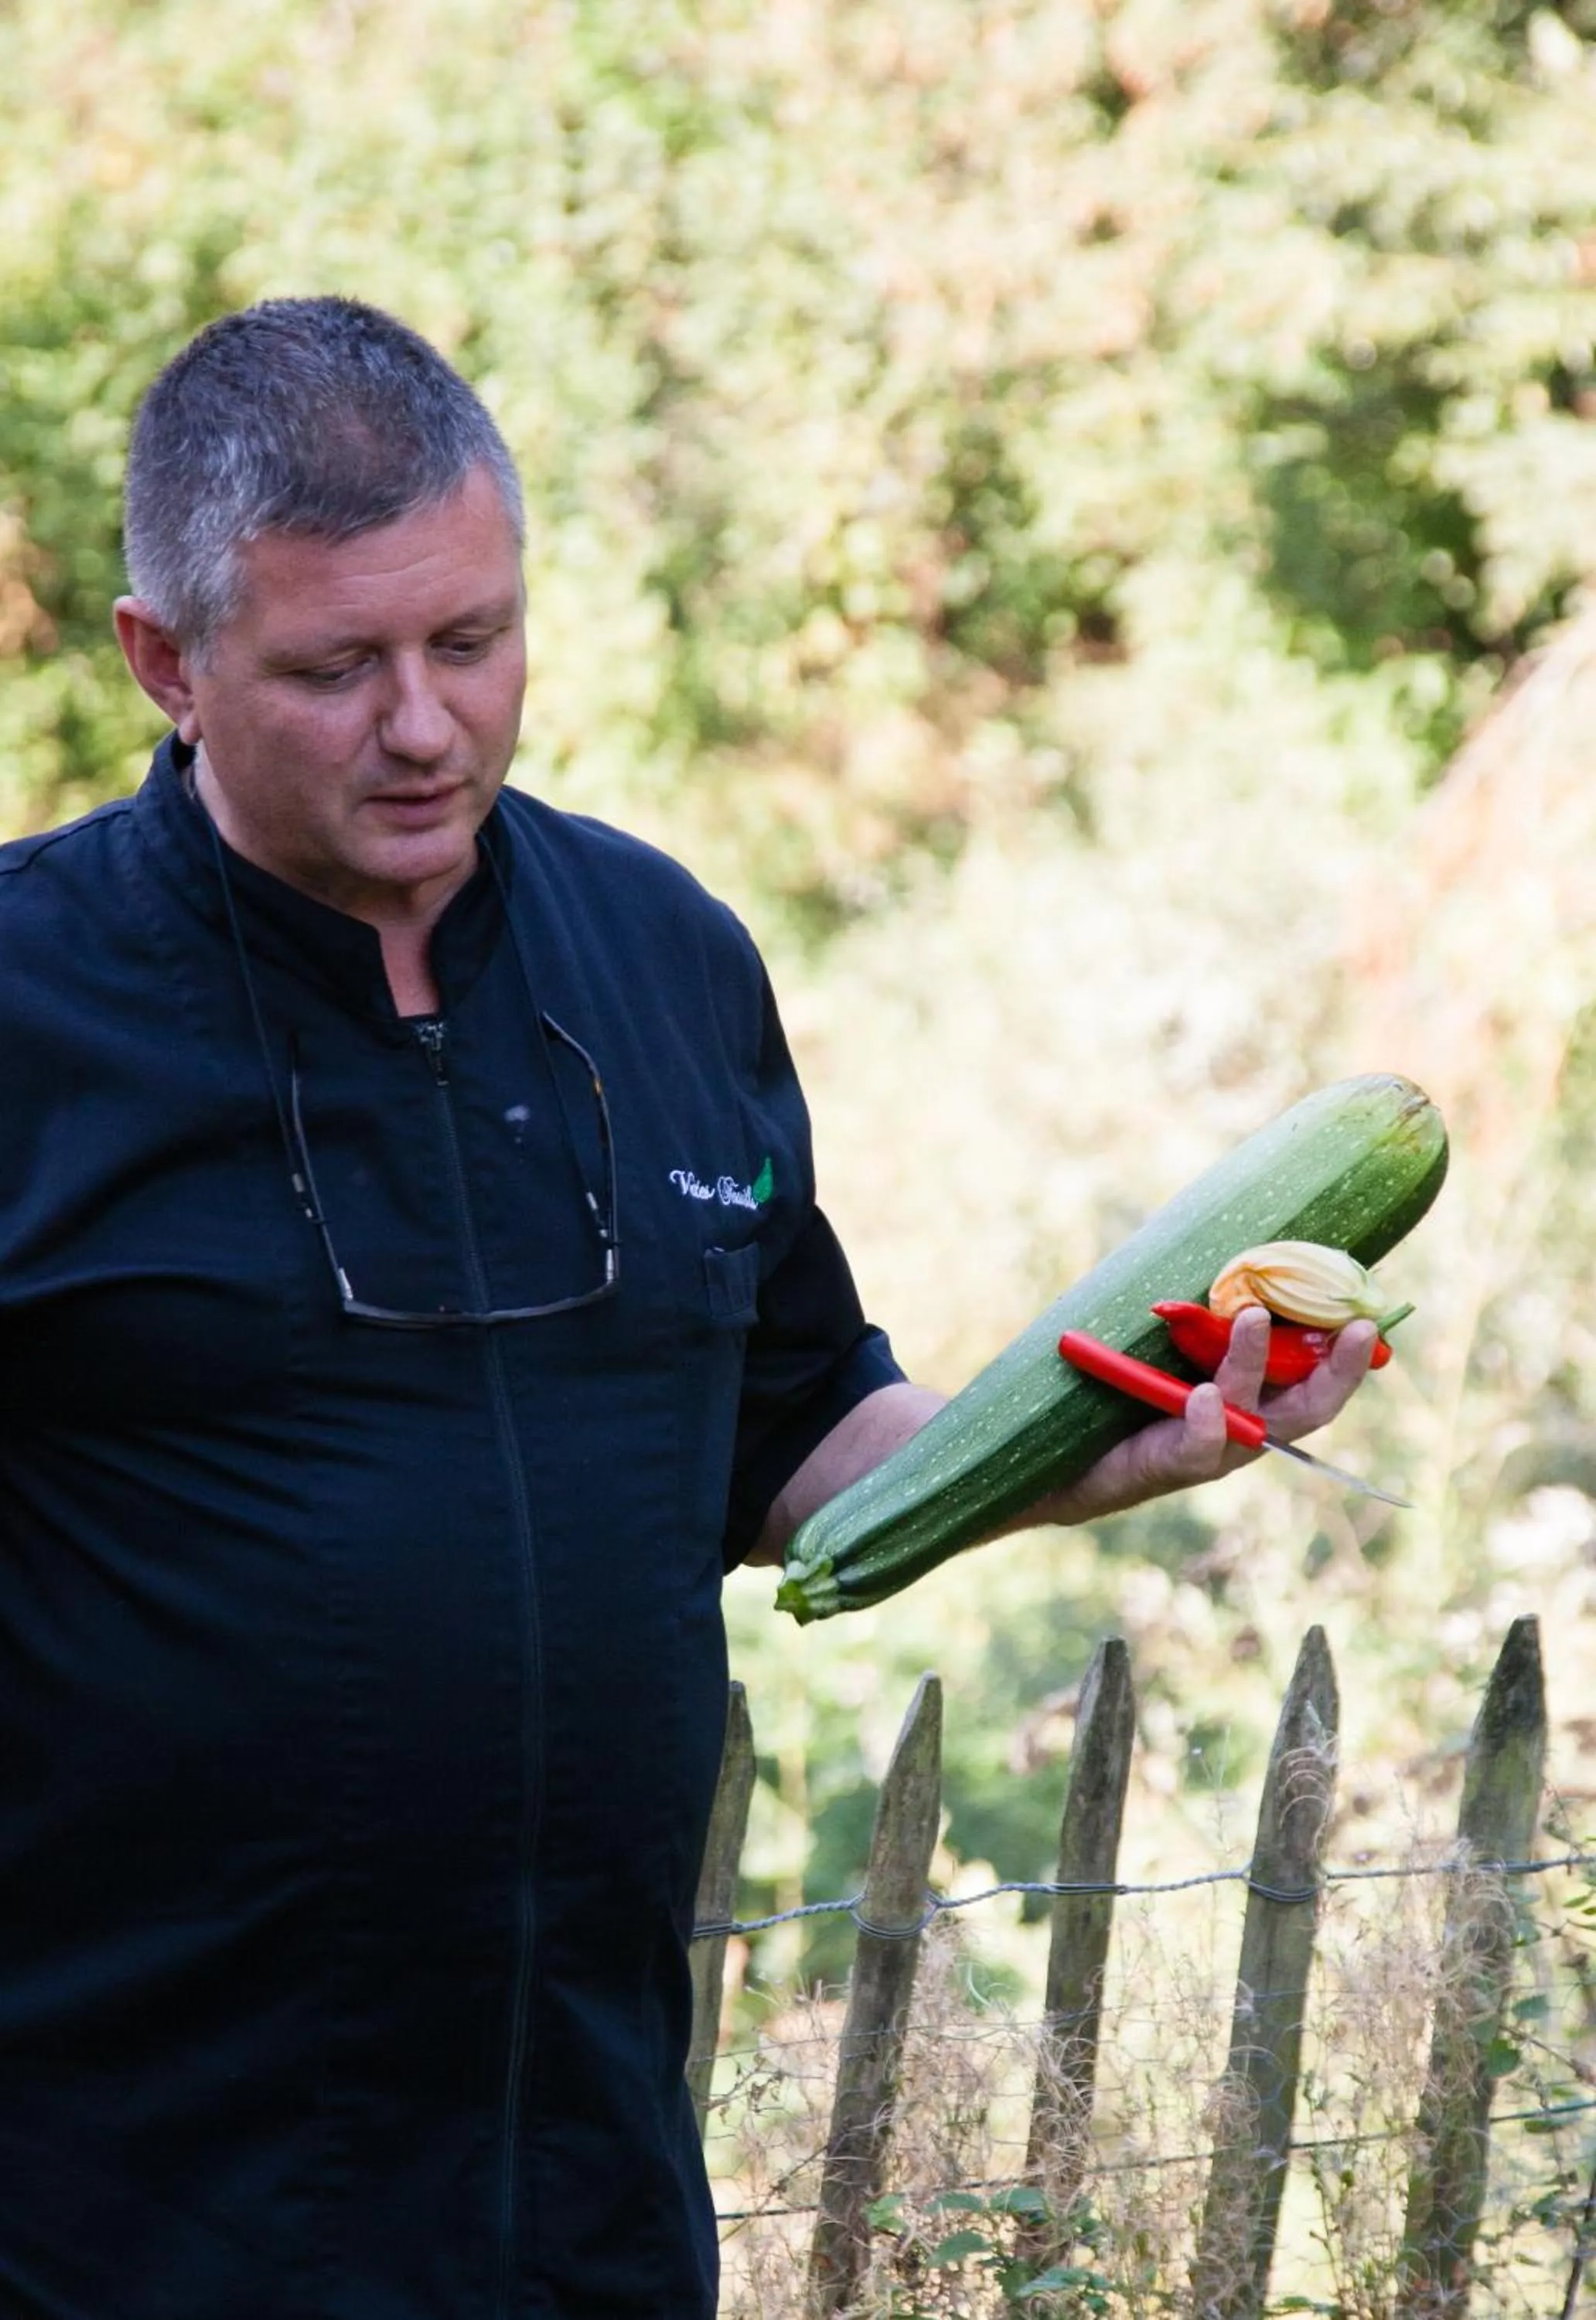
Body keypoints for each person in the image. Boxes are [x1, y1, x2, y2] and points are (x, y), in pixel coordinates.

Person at [0, 297, 1372, 2319]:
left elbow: (803, 1440)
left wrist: (1104, 1447)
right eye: (332, 665)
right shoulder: (29, 1012)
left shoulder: (663, 955)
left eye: (471, 642)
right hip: (122, 2231)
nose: (423, 724)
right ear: (165, 664)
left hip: (584, 2211)